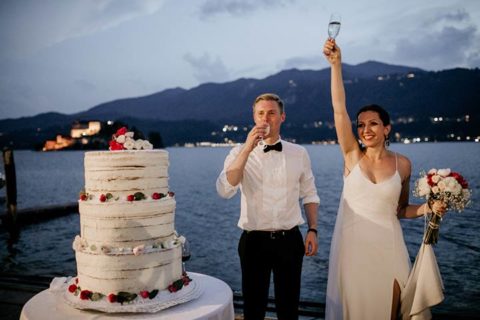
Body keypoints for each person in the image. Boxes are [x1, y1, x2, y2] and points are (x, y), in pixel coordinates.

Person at [322, 39, 446, 320]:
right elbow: (339, 109)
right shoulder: (352, 155)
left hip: (389, 247)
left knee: (390, 311)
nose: (365, 129)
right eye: (361, 125)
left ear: (387, 128)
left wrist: (429, 207)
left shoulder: (403, 163)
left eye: (373, 123)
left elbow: (400, 210)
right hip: (353, 250)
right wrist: (336, 65)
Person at [216, 93, 320, 320]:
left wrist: (312, 229)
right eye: (260, 113)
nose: (266, 118)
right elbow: (225, 189)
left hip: (290, 241)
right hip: (254, 242)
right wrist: (246, 149)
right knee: (253, 309)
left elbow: (310, 194)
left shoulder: (299, 153)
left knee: (289, 309)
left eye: (271, 113)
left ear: (282, 117)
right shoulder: (237, 153)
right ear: (254, 118)